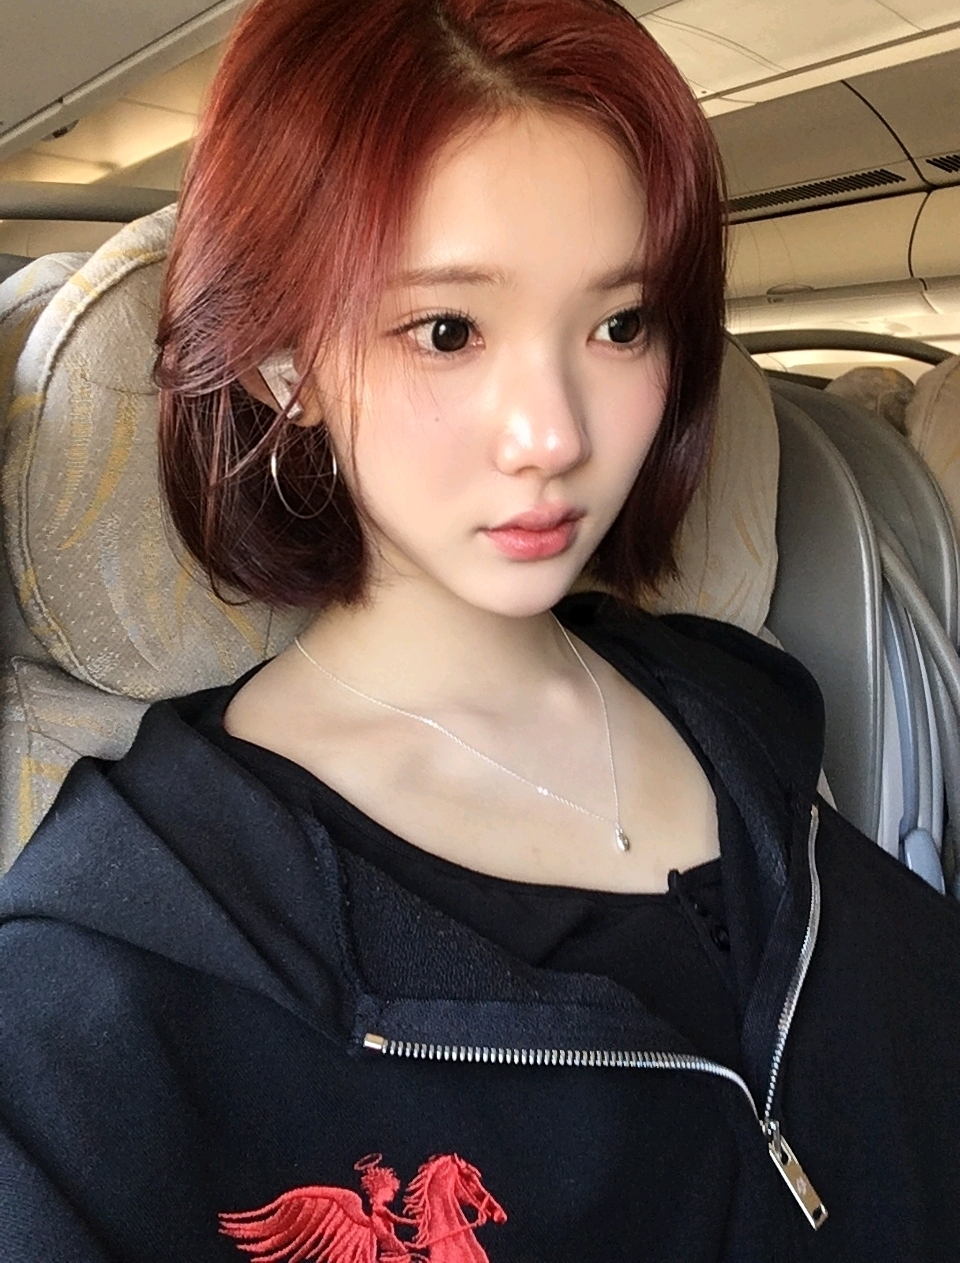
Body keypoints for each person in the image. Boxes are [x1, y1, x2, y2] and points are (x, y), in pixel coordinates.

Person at [0, 1, 958, 1260]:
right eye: (447, 331)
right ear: (284, 364)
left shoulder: (742, 703)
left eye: (620, 324)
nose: (555, 434)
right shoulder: (114, 964)